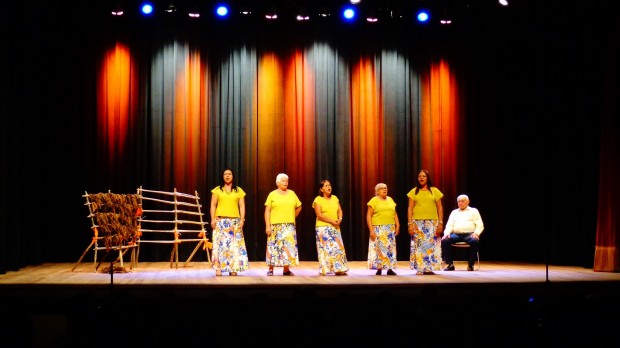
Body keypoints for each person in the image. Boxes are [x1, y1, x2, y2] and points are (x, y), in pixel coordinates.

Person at [209, 168, 249, 276]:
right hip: (220, 221)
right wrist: (212, 219)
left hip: (234, 222)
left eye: (229, 174)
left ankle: (233, 268)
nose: (227, 176)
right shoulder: (217, 190)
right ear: (223, 176)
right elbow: (213, 205)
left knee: (234, 246)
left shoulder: (238, 190)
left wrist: (242, 219)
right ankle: (218, 268)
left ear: (233, 176)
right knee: (219, 245)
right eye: (225, 174)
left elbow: (242, 206)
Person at [407, 169, 444, 275]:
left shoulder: (435, 191)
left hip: (432, 222)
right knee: (419, 245)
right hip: (417, 223)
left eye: (423, 176)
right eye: (419, 176)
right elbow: (410, 208)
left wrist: (440, 223)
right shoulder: (413, 191)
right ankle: (420, 267)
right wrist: (410, 224)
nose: (421, 178)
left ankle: (429, 268)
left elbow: (440, 208)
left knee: (431, 245)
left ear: (427, 178)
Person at [264, 173, 302, 276]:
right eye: (283, 180)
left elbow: (299, 206)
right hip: (275, 225)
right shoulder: (272, 194)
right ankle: (271, 269)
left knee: (287, 248)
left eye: (287, 181)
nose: (286, 182)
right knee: (273, 247)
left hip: (289, 225)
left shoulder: (292, 193)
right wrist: (268, 226)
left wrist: (292, 216)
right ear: (277, 183)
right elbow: (267, 211)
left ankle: (286, 269)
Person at [312, 179, 349, 276]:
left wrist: (340, 219)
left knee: (337, 249)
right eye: (326, 186)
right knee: (325, 249)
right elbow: (319, 215)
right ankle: (325, 269)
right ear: (321, 189)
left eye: (329, 185)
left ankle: (339, 269)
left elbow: (340, 210)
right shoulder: (318, 200)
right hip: (323, 228)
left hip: (335, 227)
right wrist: (332, 221)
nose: (329, 187)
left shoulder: (335, 198)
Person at [441, 194, 484, 271]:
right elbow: (449, 225)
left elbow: (480, 225)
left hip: (469, 234)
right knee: (445, 240)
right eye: (458, 201)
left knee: (475, 241)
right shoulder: (454, 212)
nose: (460, 203)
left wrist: (476, 233)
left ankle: (470, 265)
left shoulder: (474, 211)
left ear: (468, 202)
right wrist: (447, 233)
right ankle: (450, 265)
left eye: (462, 201)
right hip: (456, 235)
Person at [366, 183, 400, 275]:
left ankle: (390, 268)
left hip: (390, 228)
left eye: (385, 188)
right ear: (377, 191)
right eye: (381, 188)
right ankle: (379, 268)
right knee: (379, 250)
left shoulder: (390, 200)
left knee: (390, 249)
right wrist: (371, 230)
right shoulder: (374, 200)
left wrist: (397, 225)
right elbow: (369, 216)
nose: (384, 189)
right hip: (378, 228)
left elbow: (394, 213)